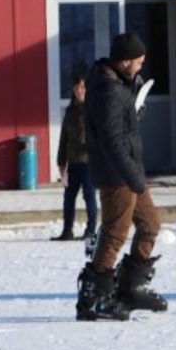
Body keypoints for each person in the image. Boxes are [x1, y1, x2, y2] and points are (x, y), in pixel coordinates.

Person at [75, 32, 168, 321]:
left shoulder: (117, 85)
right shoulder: (108, 91)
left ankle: (130, 287)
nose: (141, 66)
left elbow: (119, 130)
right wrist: (132, 177)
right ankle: (94, 297)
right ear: (125, 62)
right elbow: (112, 141)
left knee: (150, 224)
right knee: (115, 234)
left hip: (129, 171)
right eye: (138, 62)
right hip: (117, 174)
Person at [50, 76, 98, 241]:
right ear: (73, 90)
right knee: (68, 198)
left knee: (89, 196)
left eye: (83, 88)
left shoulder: (93, 110)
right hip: (73, 163)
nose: (80, 91)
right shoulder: (70, 111)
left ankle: (91, 231)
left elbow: (100, 136)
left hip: (88, 163)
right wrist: (61, 161)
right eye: (77, 88)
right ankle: (67, 231)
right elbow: (64, 137)